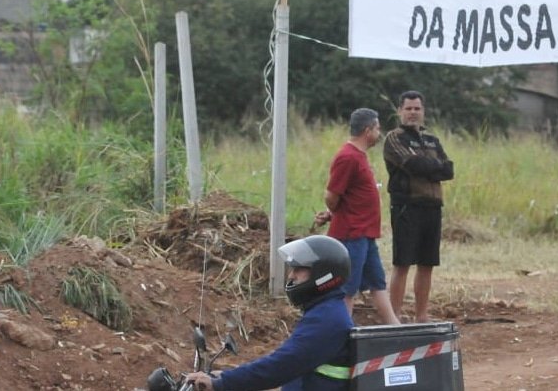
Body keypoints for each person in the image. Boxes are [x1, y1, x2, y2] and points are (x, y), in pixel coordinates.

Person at [184, 235, 353, 391]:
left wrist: (223, 383)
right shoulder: (325, 311)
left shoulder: (327, 320)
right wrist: (226, 376)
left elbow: (281, 366)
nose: (291, 276)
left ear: (323, 274)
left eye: (299, 269)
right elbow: (283, 361)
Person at [313, 108, 400, 325]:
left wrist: (335, 213)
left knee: (377, 283)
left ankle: (394, 326)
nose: (379, 133)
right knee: (347, 289)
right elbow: (332, 195)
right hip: (351, 234)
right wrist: (336, 213)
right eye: (377, 128)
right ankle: (342, 331)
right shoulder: (348, 157)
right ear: (367, 130)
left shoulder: (359, 156)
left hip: (364, 234)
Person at [383, 91, 454, 323]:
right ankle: (394, 316)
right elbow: (412, 164)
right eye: (409, 108)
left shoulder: (432, 140)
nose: (413, 113)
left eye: (417, 109)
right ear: (399, 111)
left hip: (432, 206)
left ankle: (421, 316)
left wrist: (428, 166)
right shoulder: (394, 138)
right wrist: (433, 167)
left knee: (427, 263)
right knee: (402, 263)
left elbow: (449, 170)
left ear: (423, 111)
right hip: (406, 206)